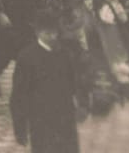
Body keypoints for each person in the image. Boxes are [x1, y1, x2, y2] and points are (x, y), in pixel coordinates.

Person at [9, 20, 81, 151]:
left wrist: (82, 104)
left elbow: (74, 82)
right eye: (48, 33)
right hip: (41, 120)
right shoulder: (27, 57)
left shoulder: (64, 53)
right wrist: (20, 128)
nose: (53, 37)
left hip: (65, 117)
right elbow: (18, 95)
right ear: (38, 33)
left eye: (54, 32)